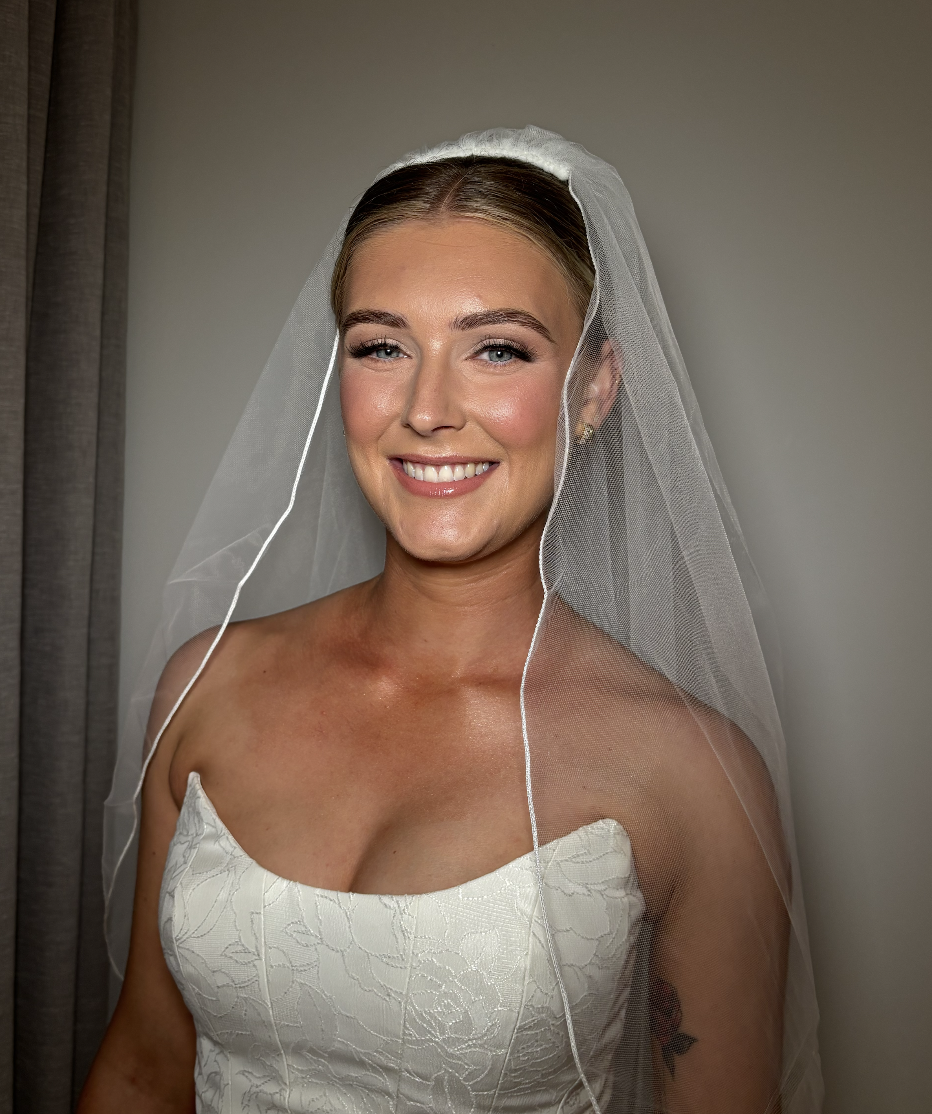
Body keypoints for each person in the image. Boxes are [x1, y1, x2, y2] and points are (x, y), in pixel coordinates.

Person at [80, 127, 822, 1113]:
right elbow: (142, 1065)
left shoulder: (691, 772)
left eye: (496, 349)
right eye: (382, 346)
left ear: (594, 388)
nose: (426, 408)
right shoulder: (205, 684)